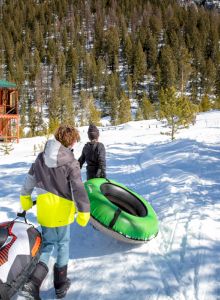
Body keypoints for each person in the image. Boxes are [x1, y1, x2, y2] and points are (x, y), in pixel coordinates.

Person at [20, 125, 90, 300]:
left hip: (45, 211)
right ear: (70, 141)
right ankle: (60, 284)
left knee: (48, 245)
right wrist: (83, 211)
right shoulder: (71, 161)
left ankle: (33, 283)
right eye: (74, 140)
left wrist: (25, 199)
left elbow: (28, 181)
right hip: (63, 212)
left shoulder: (40, 158)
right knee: (63, 244)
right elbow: (78, 188)